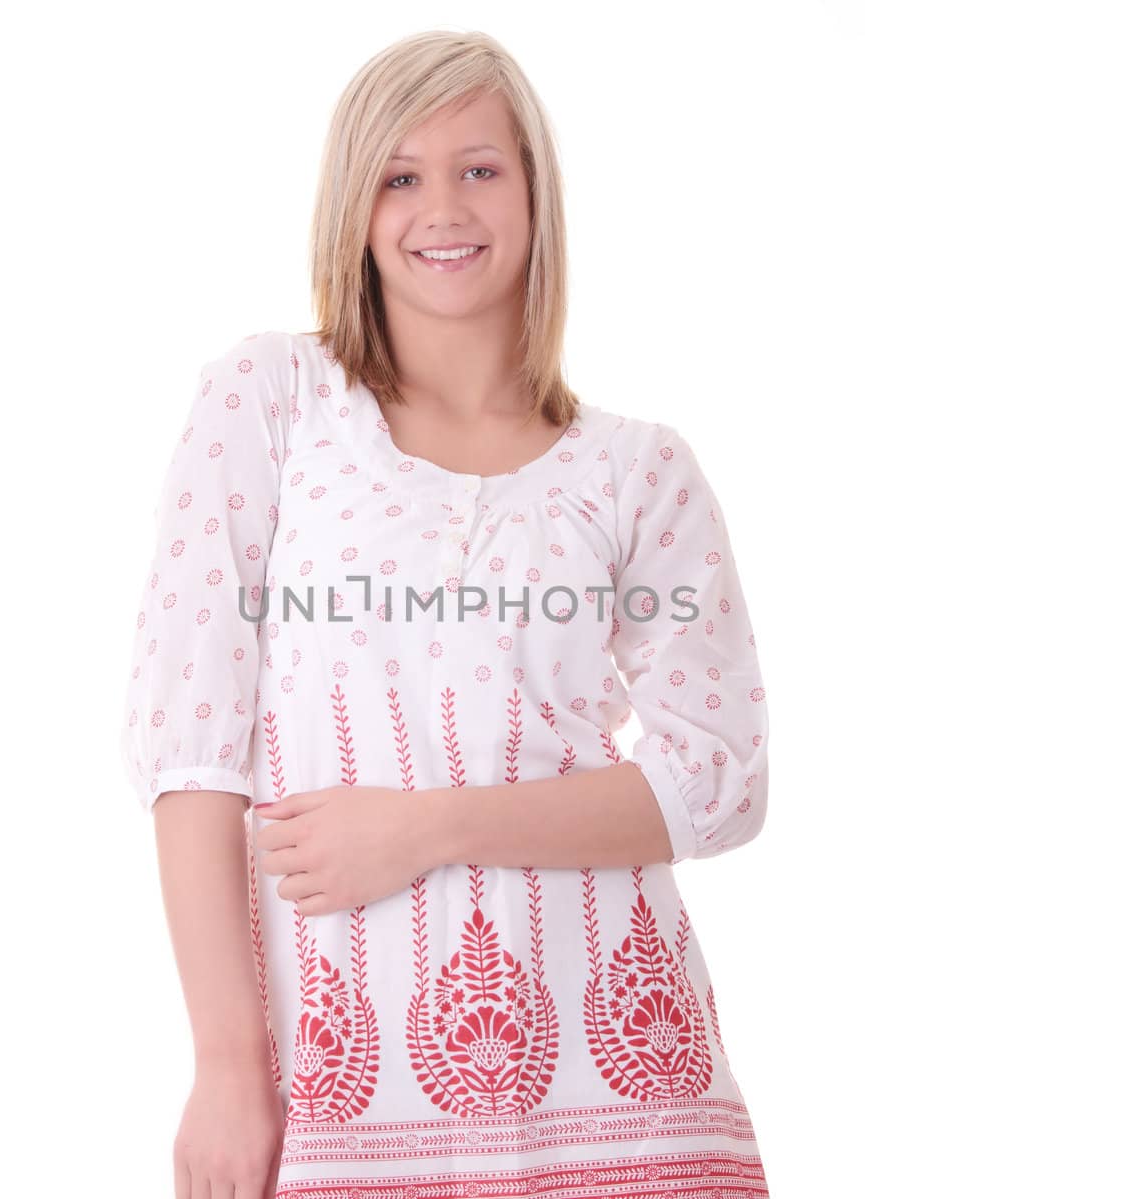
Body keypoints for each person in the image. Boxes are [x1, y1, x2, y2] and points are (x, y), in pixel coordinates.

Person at [119, 29, 773, 1199]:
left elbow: (714, 785)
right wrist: (226, 1064)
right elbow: (192, 747)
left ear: (533, 192)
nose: (442, 207)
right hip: (339, 1089)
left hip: (628, 1100)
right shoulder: (272, 402)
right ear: (354, 207)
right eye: (399, 174)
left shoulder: (638, 470)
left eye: (480, 167)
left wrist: (426, 827)